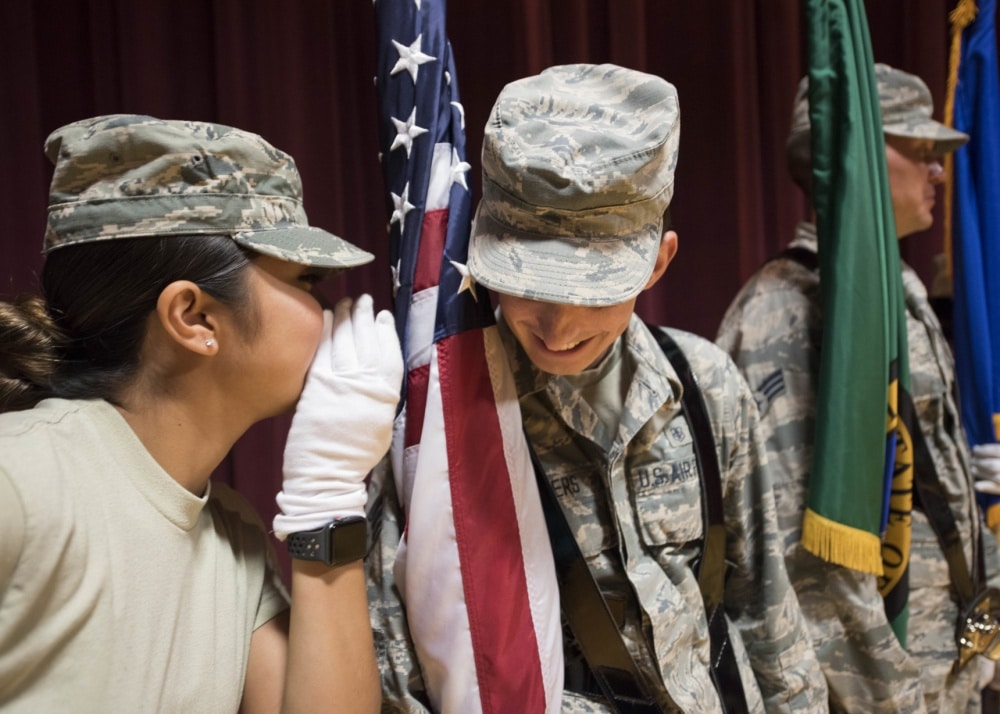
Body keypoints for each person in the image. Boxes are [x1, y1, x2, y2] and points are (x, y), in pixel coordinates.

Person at [366, 63, 827, 712]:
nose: (559, 324)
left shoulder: (705, 388)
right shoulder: (438, 422)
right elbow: (397, 679)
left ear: (659, 261)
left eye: (594, 289)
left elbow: (767, 621)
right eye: (528, 282)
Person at [0, 114, 402, 712]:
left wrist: (328, 501)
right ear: (195, 317)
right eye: (308, 281)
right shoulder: (21, 477)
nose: (332, 312)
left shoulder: (232, 533)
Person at [716, 63, 1000, 712]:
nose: (938, 171)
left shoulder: (895, 298)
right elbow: (794, 553)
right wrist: (890, 696)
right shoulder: (790, 311)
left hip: (941, 673)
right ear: (857, 157)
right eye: (920, 151)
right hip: (872, 690)